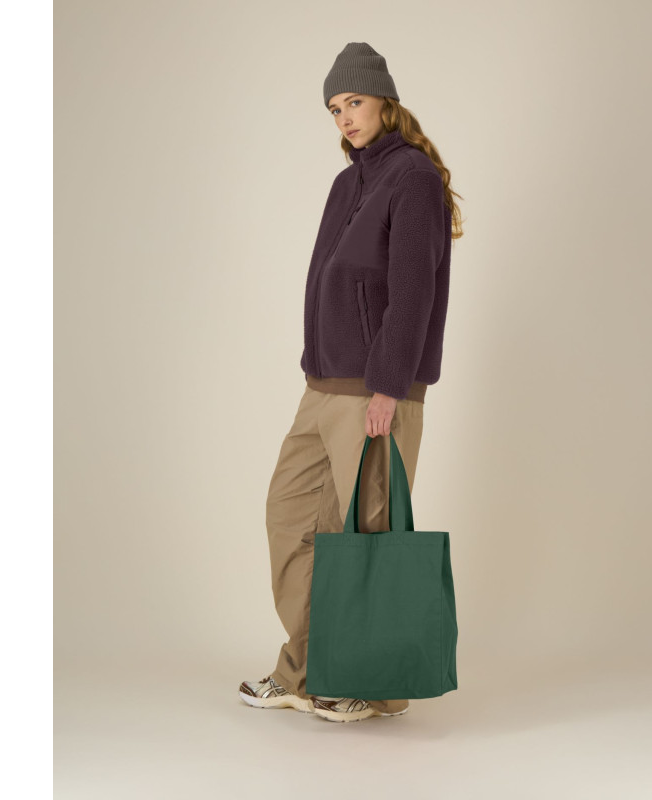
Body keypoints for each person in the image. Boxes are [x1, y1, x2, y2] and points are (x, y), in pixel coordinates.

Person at [238, 42, 463, 723]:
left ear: (385, 101)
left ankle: (375, 684)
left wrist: (388, 386)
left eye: (354, 102)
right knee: (292, 517)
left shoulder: (412, 177)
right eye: (335, 108)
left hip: (374, 387)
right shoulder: (348, 185)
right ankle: (311, 669)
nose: (344, 117)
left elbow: (413, 292)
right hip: (325, 384)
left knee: (369, 534)